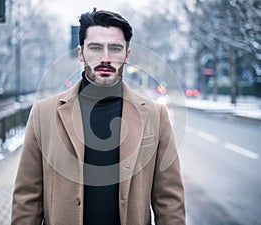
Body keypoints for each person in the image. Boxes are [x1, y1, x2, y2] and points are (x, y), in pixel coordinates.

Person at [11, 9, 185, 225]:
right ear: (81, 53)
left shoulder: (155, 115)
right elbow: (27, 199)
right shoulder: (43, 113)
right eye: (95, 48)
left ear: (127, 55)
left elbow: (169, 203)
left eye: (115, 48)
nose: (106, 58)